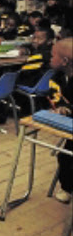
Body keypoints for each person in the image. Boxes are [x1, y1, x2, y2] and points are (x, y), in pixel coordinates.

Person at [47, 38, 73, 203]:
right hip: (70, 126)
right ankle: (67, 188)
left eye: (53, 55)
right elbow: (54, 96)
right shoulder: (57, 77)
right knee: (65, 156)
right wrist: (61, 108)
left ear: (64, 61)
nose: (50, 58)